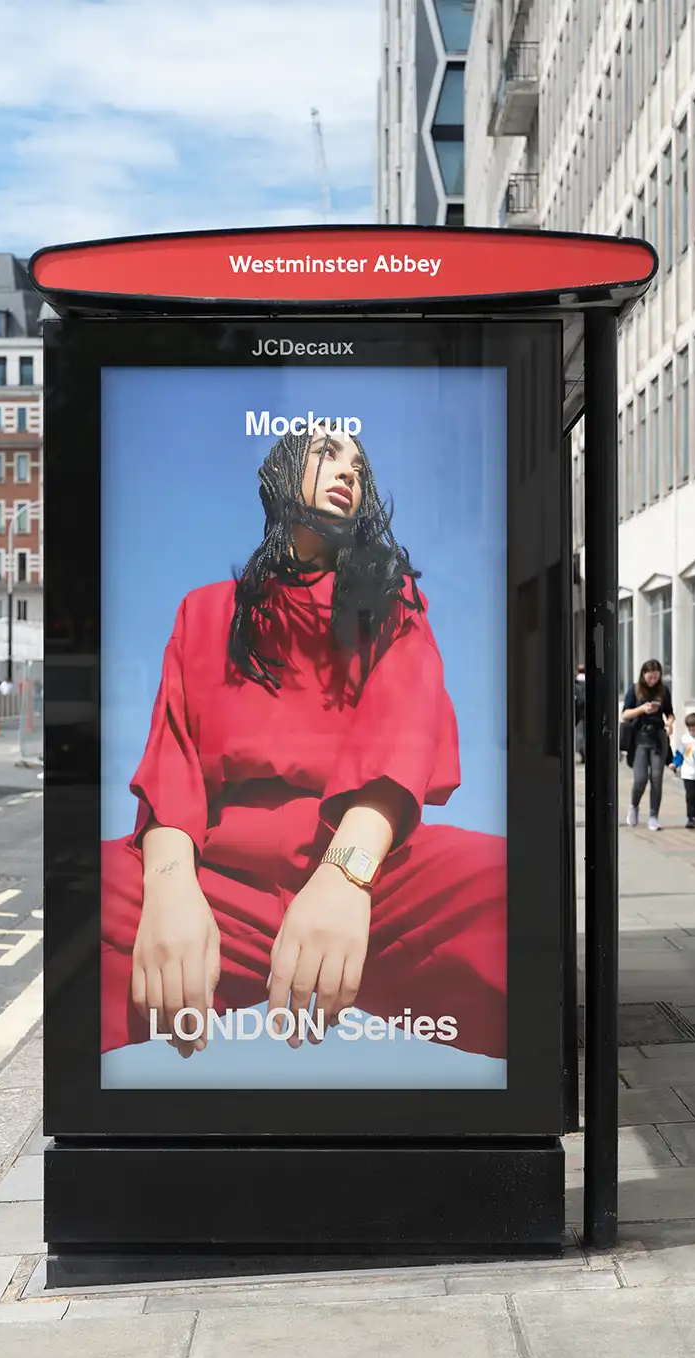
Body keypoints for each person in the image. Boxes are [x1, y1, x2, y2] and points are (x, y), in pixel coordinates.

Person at [101, 423, 507, 1061]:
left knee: (506, 887)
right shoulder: (204, 612)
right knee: (86, 895)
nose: (349, 472)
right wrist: (171, 890)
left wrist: (346, 880)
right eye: (326, 454)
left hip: (370, 865)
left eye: (359, 466)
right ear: (280, 475)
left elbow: (404, 730)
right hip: (219, 878)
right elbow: (172, 763)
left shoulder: (393, 602)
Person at [621, 659, 675, 831]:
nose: (653, 681)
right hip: (639, 738)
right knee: (640, 778)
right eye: (650, 677)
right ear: (643, 674)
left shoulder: (663, 691)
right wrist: (642, 709)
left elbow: (670, 713)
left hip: (658, 737)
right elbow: (625, 715)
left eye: (656, 678)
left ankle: (653, 816)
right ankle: (634, 806)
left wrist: (670, 724)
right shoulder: (635, 689)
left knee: (657, 778)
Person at [573, 664, 586, 763]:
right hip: (585, 712)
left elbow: (579, 700)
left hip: (580, 713)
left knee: (580, 735)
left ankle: (582, 753)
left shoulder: (576, 683)